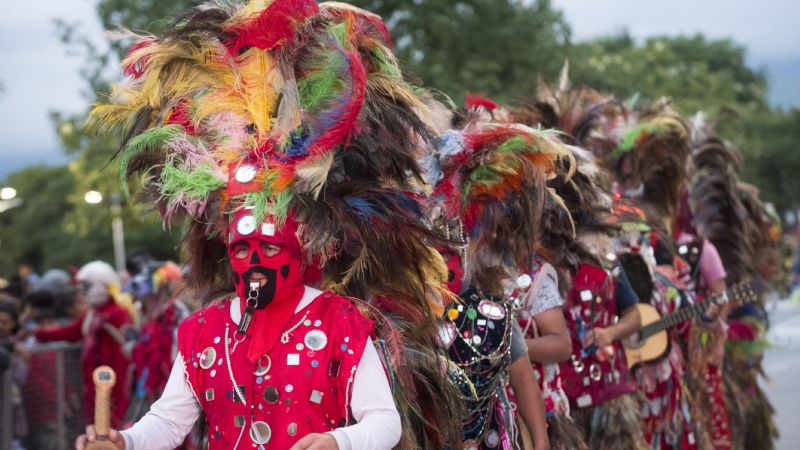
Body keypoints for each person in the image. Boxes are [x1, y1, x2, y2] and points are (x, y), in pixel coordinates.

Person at [79, 1, 464, 448]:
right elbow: (168, 421)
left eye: (271, 247)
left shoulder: (341, 321)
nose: (254, 261)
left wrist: (338, 442)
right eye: (242, 250)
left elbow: (383, 420)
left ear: (303, 249)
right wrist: (123, 442)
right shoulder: (205, 330)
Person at [23, 261, 132, 427]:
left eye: (86, 287)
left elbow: (122, 356)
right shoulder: (92, 314)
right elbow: (70, 333)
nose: (83, 294)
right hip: (92, 383)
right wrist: (36, 332)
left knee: (111, 425)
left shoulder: (118, 314)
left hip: (111, 382)